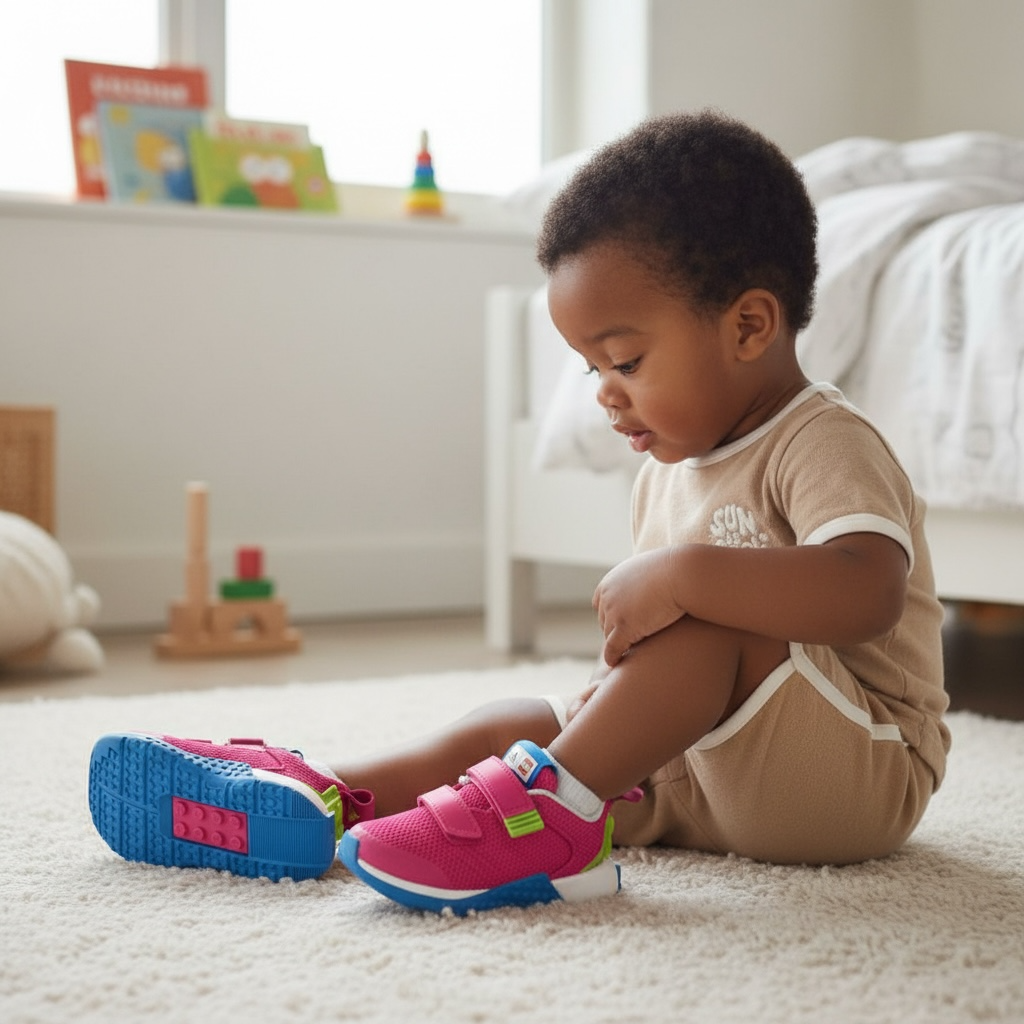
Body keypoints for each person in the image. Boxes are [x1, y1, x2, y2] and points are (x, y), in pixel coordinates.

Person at [88, 110, 949, 914]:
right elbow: (664, 677)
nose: (608, 396)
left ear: (751, 325)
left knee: (707, 620)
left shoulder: (822, 440)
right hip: (707, 782)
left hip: (854, 775)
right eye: (590, 370)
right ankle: (326, 796)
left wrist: (685, 577)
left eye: (625, 359)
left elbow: (865, 590)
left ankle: (550, 827)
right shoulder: (670, 471)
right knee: (518, 726)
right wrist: (597, 714)